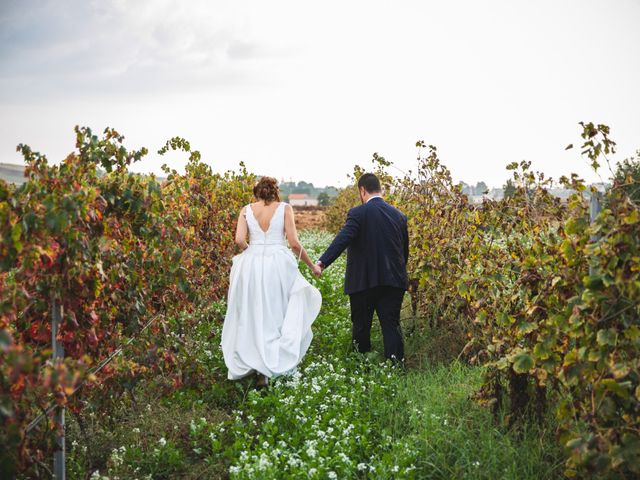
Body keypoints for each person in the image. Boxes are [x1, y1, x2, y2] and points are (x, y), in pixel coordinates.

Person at [221, 177, 322, 388]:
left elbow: (239, 240)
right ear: (275, 191)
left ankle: (257, 365)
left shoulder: (245, 210)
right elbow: (293, 243)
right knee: (277, 313)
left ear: (257, 192)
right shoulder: (285, 208)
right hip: (278, 264)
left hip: (251, 266)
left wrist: (253, 252)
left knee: (253, 313)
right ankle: (272, 365)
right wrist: (312, 266)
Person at [315, 173, 409, 362]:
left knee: (361, 327)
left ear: (362, 190)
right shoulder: (399, 216)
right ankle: (395, 367)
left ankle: (361, 365)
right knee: (391, 325)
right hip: (393, 281)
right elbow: (404, 251)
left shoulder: (358, 213)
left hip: (363, 281)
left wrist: (322, 262)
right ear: (380, 189)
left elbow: (343, 239)